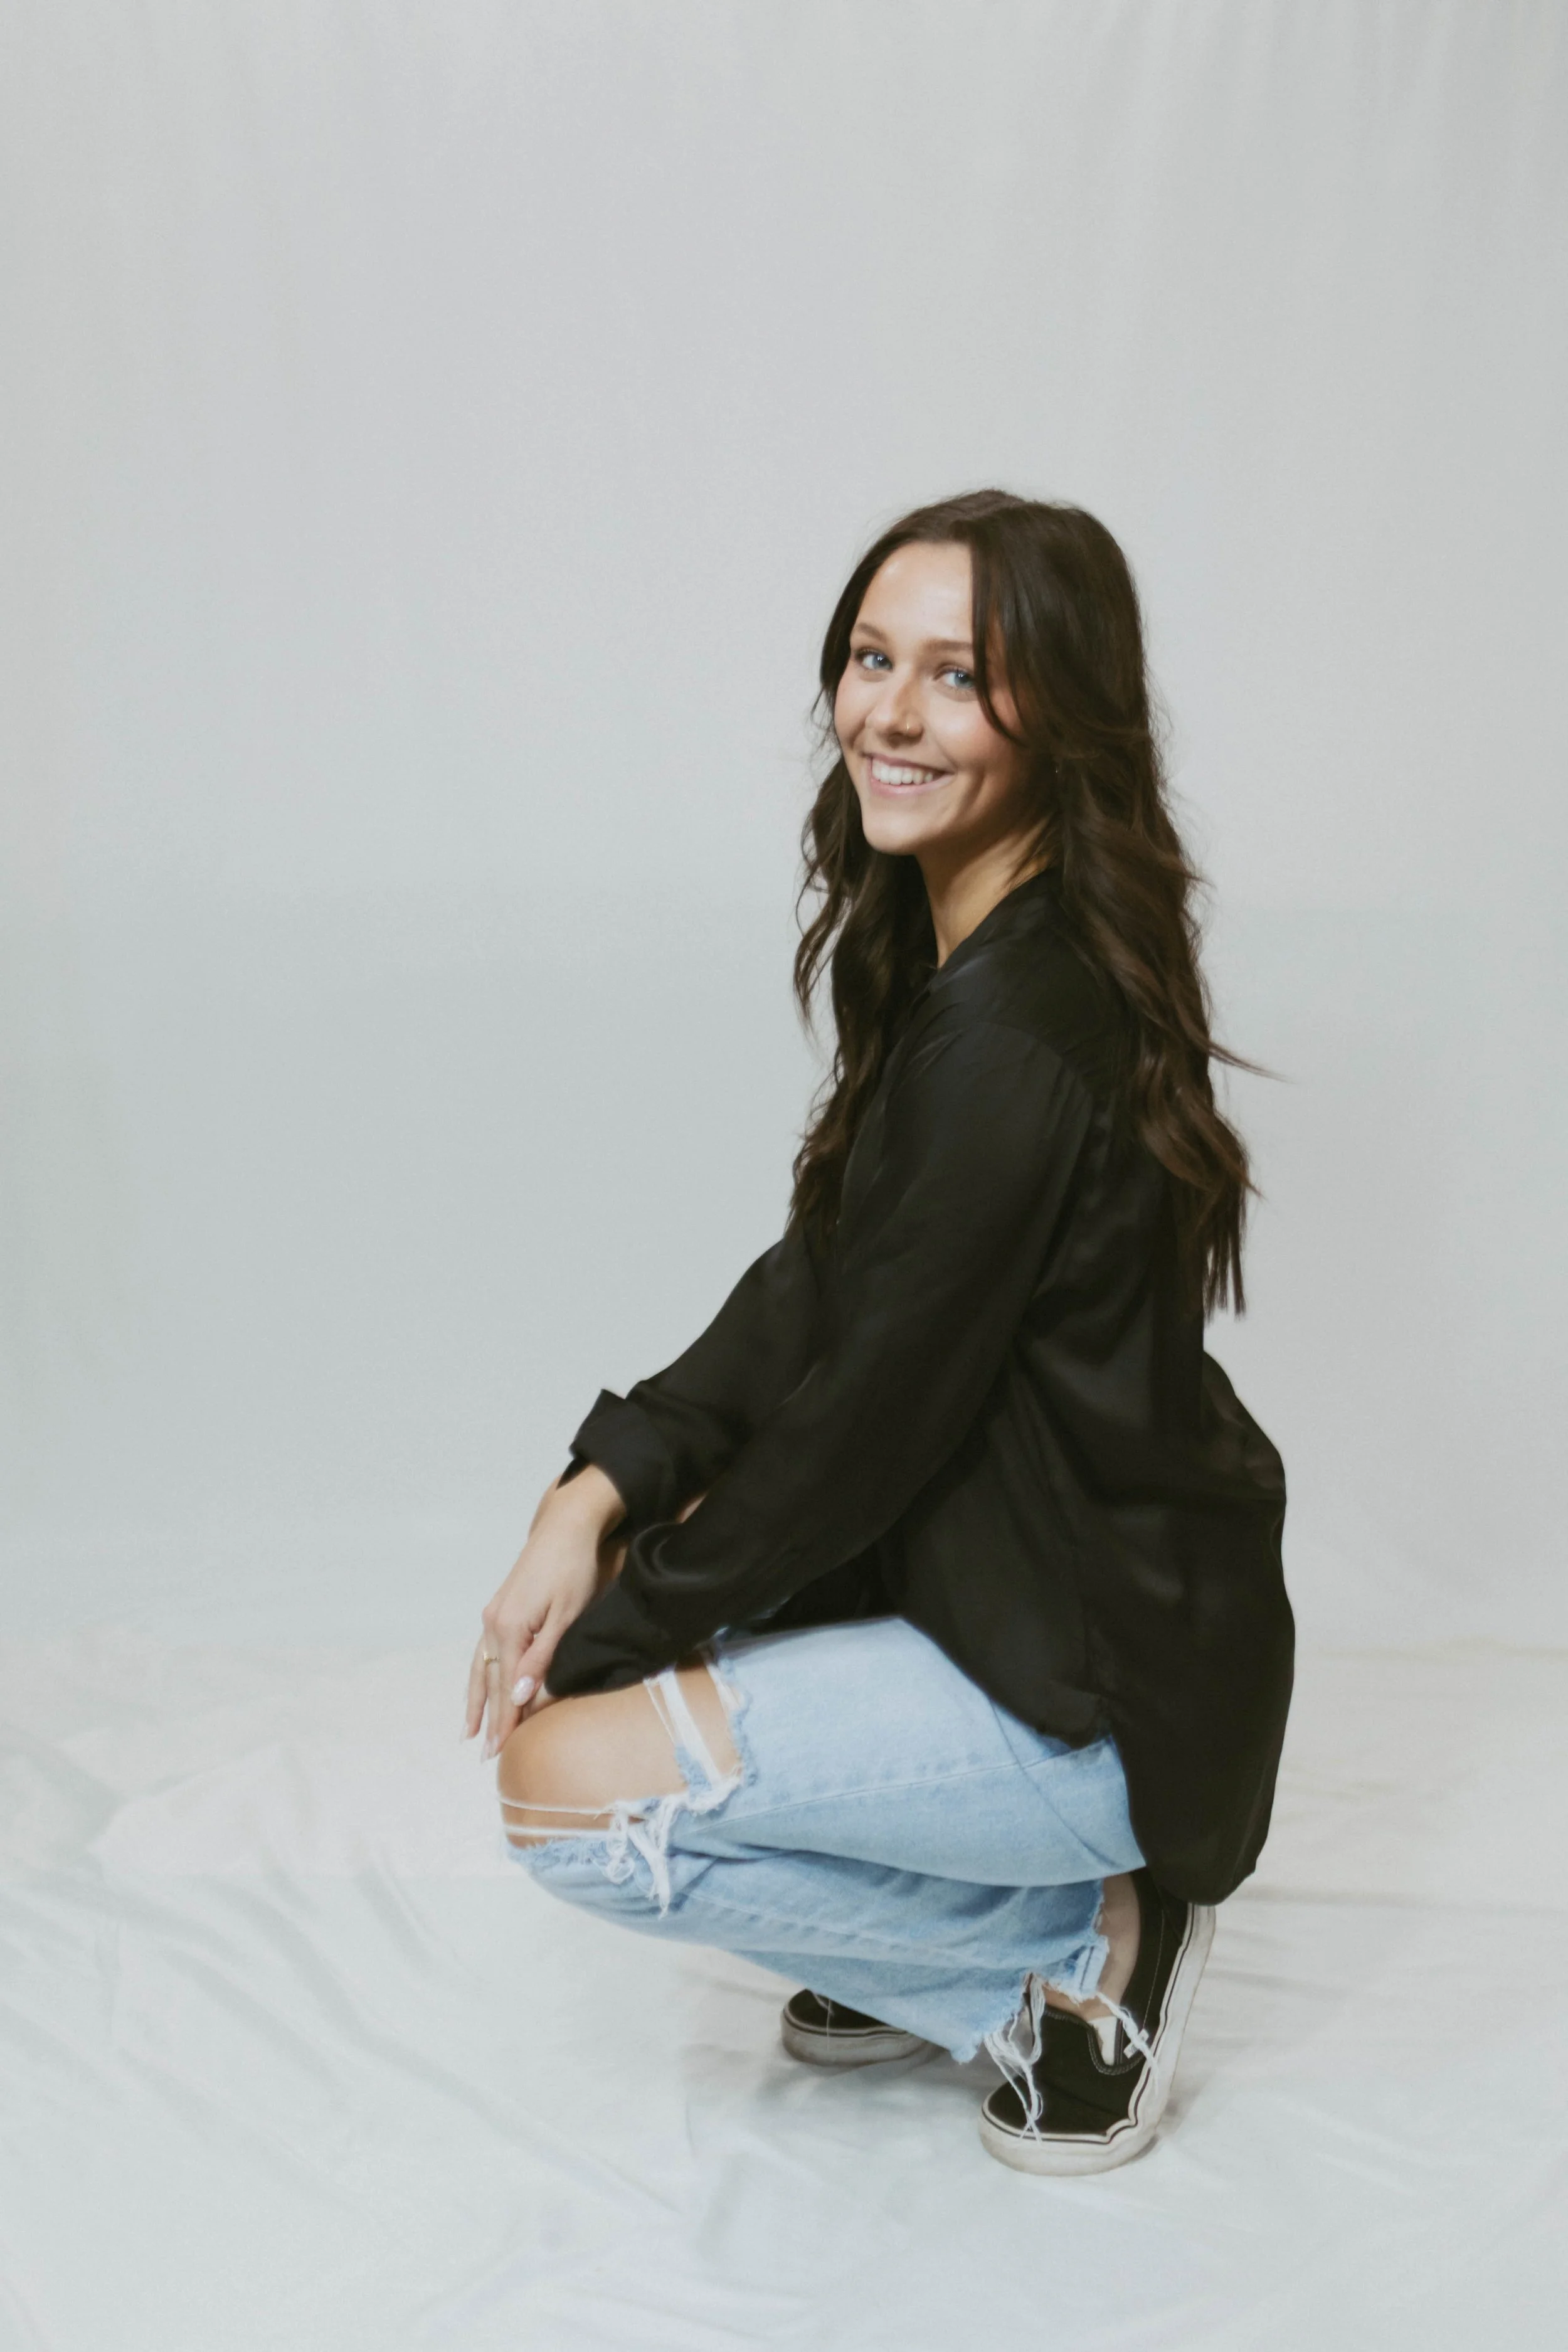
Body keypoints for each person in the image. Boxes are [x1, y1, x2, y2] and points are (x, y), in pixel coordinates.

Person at [461, 490, 1292, 2175]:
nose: (888, 714)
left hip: (1096, 1682)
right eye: (867, 658)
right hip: (1021, 1598)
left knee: (564, 1793)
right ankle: (944, 1918)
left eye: (955, 676)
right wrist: (598, 1487)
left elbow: (855, 1429)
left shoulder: (1020, 1034)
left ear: (1055, 708)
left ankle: (1068, 1964)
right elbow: (817, 1286)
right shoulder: (969, 950)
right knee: (654, 1650)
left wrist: (628, 1632)